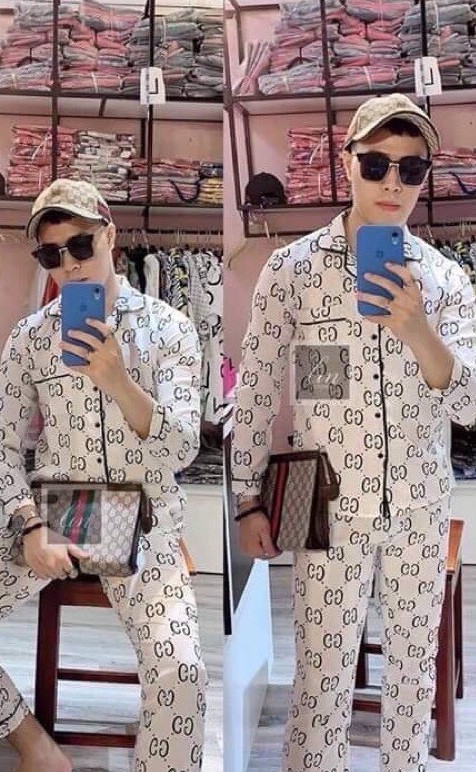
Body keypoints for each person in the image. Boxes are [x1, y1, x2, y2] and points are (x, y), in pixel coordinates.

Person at [231, 93, 476, 772]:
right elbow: (255, 392)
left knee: (412, 679)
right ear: (348, 163)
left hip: (420, 504)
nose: (393, 183)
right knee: (320, 677)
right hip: (324, 503)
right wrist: (248, 500)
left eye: (411, 168)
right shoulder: (293, 270)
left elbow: (470, 405)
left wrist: (416, 328)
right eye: (376, 164)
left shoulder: (446, 280)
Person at [0, 179, 209, 772]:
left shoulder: (169, 329)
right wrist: (29, 525)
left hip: (147, 521)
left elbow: (183, 446)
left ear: (110, 236)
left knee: (182, 670)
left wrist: (118, 380)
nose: (69, 264)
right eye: (51, 255)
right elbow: (1, 447)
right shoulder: (30, 337)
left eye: (80, 245)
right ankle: (37, 749)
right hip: (58, 514)